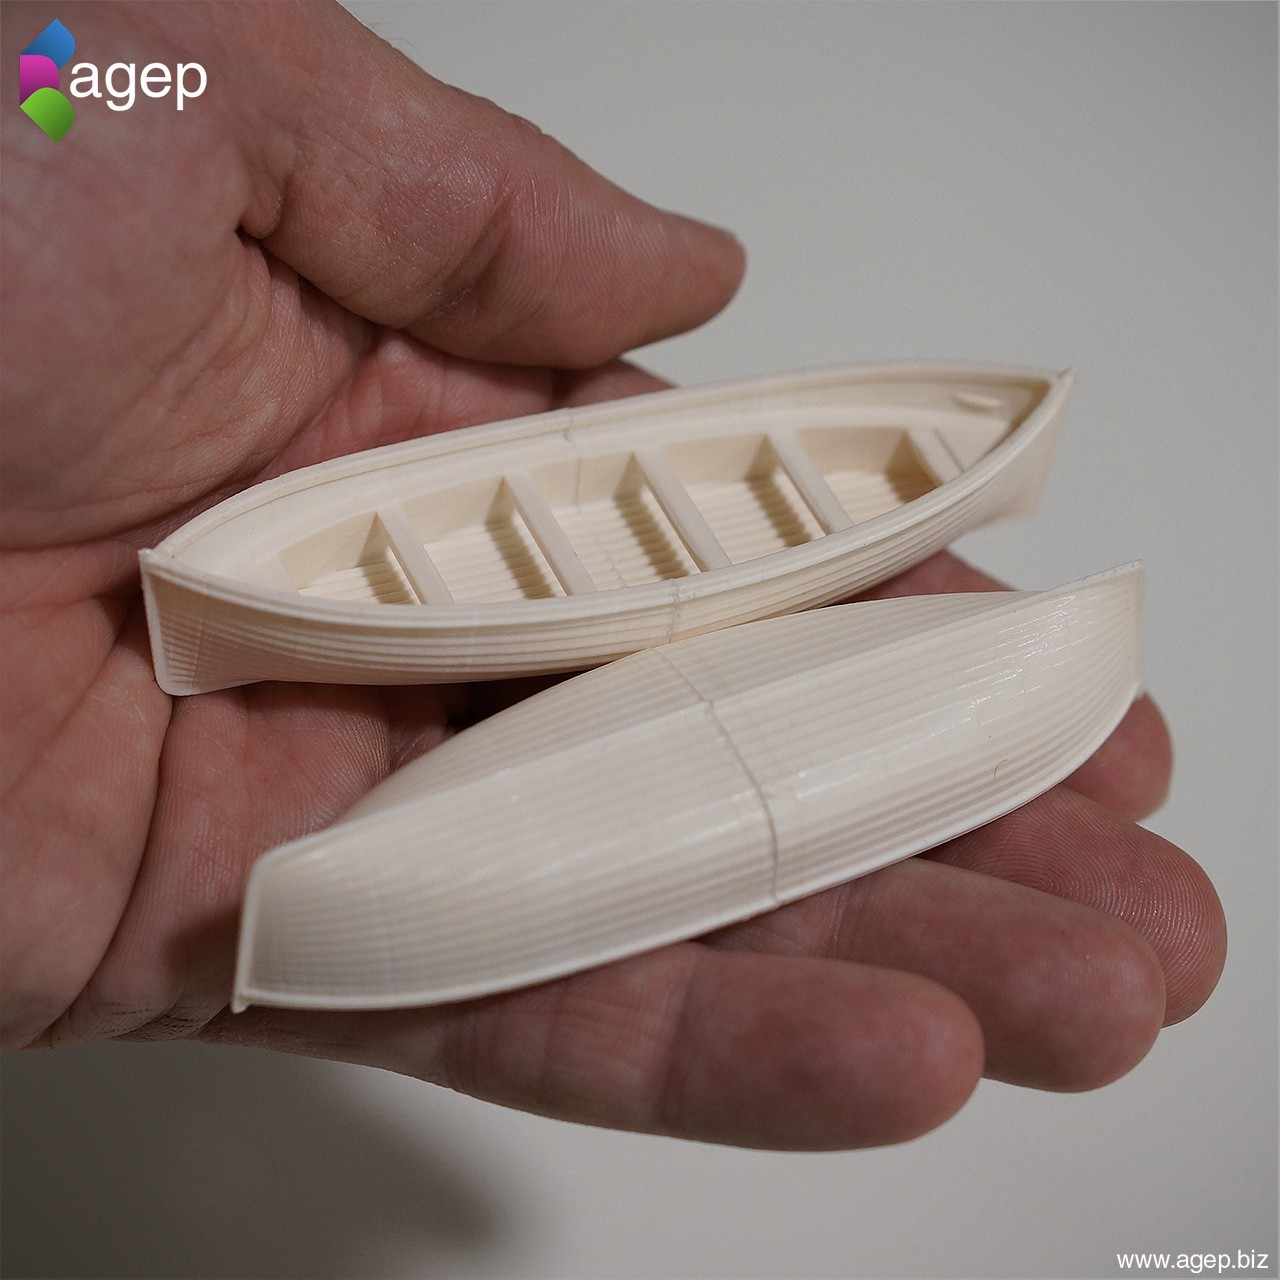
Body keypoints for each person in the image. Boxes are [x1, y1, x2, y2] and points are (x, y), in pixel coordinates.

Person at [0, 1, 1225, 1150]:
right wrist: (46, 72)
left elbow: (52, 72)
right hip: (226, 604)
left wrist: (46, 70)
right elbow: (54, 75)